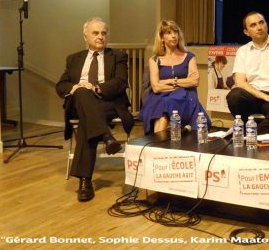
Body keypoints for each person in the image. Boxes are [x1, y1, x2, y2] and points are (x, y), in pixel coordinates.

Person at [56, 18, 134, 202]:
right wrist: (74, 88)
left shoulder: (118, 56)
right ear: (85, 36)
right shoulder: (73, 58)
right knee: (82, 92)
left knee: (87, 121)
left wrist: (97, 88)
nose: (100, 36)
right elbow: (61, 85)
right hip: (79, 102)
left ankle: (85, 181)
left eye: (104, 33)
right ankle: (106, 136)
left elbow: (121, 82)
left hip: (107, 103)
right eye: (96, 33)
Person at [140, 20, 210, 134]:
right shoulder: (154, 60)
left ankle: (157, 145)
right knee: (163, 111)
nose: (173, 36)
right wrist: (183, 82)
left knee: (166, 105)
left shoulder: (189, 57)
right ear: (161, 38)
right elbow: (156, 87)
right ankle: (159, 146)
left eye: (175, 32)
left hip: (185, 97)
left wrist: (170, 81)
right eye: (168, 33)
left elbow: (195, 81)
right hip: (160, 97)